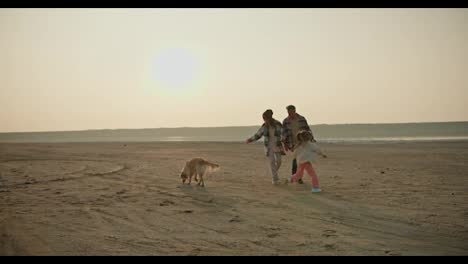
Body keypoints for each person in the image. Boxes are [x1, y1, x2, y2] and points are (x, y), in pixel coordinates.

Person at [246, 109, 286, 185]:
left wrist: (284, 139)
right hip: (268, 146)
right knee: (272, 162)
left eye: (265, 119)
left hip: (277, 145)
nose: (264, 120)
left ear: (269, 118)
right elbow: (258, 135)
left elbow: (283, 133)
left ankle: (274, 173)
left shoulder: (278, 124)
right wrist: (250, 140)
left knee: (279, 161)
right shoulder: (264, 126)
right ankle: (275, 179)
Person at [282, 105, 315, 184]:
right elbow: (284, 133)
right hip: (293, 143)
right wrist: (285, 144)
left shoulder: (302, 119)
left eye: (291, 112)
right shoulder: (286, 121)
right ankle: (296, 177)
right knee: (295, 160)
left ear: (294, 111)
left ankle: (296, 177)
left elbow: (307, 129)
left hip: (302, 142)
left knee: (301, 160)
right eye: (288, 112)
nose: (290, 114)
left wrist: (312, 138)